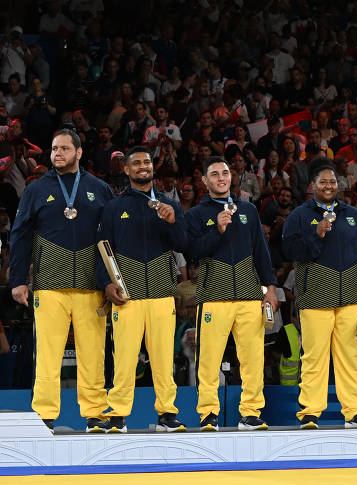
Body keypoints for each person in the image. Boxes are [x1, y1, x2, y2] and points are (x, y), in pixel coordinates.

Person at [9, 129, 113, 433]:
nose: (58, 154)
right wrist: (18, 280)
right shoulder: (36, 190)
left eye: (65, 149)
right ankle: (44, 415)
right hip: (49, 285)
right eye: (55, 148)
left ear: (78, 153)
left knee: (93, 353)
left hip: (90, 286)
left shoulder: (100, 189)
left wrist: (109, 281)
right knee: (48, 354)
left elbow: (111, 239)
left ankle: (95, 414)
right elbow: (20, 235)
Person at [282, 158, 357, 429]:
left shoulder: (354, 215)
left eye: (333, 182)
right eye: (323, 182)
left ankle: (355, 411)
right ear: (312, 186)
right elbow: (289, 251)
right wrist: (316, 233)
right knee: (314, 358)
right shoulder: (300, 216)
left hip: (349, 299)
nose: (328, 186)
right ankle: (310, 412)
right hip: (314, 299)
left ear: (339, 185)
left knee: (350, 357)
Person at [97, 146, 188, 433]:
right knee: (123, 357)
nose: (142, 167)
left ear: (153, 167)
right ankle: (118, 414)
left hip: (161, 292)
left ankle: (167, 414)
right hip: (128, 295)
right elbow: (101, 250)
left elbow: (184, 244)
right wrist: (105, 284)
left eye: (146, 162)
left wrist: (172, 222)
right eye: (135, 163)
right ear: (126, 170)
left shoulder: (168, 204)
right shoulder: (114, 207)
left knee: (163, 357)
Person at [185, 156, 279, 431]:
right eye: (214, 174)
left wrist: (270, 287)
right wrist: (218, 228)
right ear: (205, 181)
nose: (221, 178)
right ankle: (208, 414)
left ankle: (251, 413)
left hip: (250, 297)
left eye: (225, 173)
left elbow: (261, 251)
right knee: (209, 360)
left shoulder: (248, 210)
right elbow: (192, 253)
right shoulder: (196, 215)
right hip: (214, 297)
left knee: (252, 360)